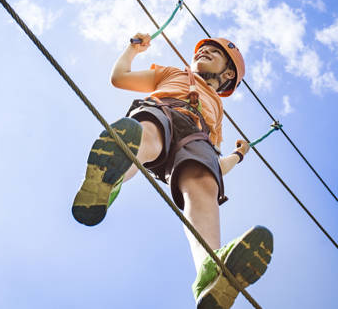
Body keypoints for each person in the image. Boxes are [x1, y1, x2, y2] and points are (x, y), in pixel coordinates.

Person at [72, 33, 273, 309]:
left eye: (214, 53)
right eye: (202, 51)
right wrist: (132, 49)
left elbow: (217, 164)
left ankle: (210, 270)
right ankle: (106, 183)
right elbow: (120, 77)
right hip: (163, 111)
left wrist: (238, 155)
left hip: (197, 135)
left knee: (205, 181)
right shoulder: (171, 73)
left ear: (227, 73)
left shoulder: (217, 108)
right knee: (147, 136)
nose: (204, 53)